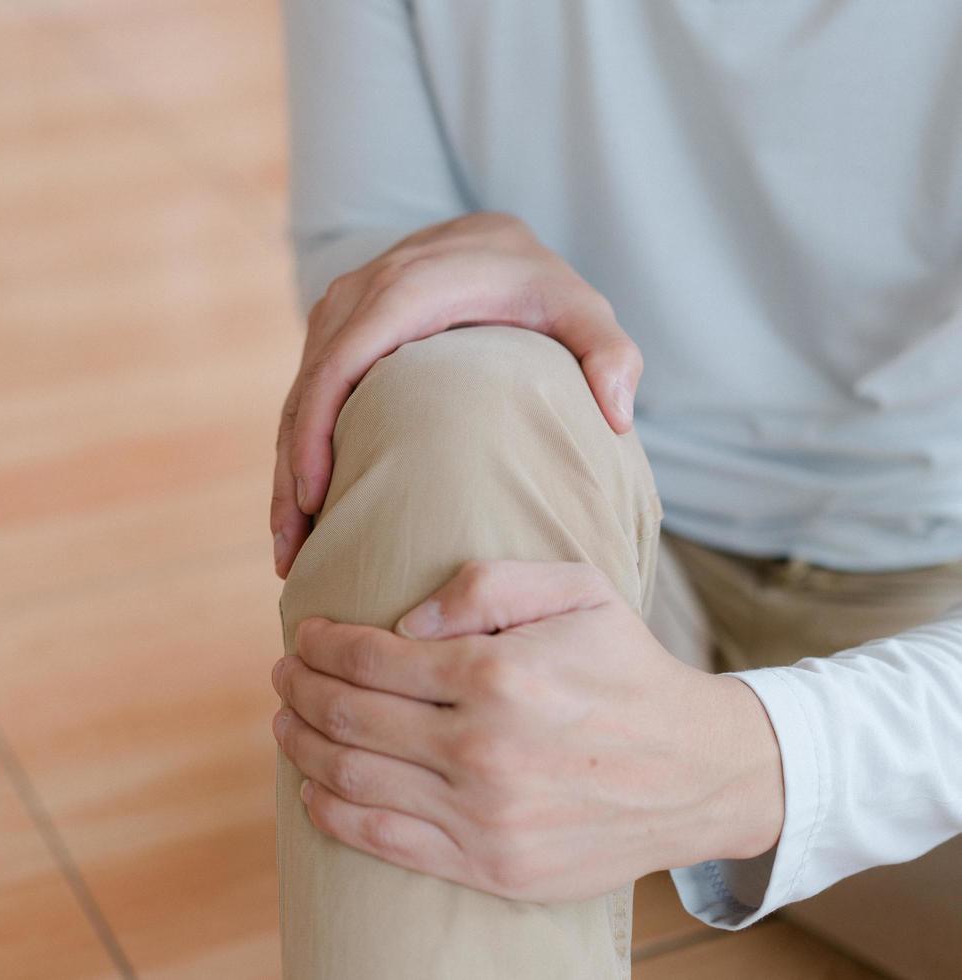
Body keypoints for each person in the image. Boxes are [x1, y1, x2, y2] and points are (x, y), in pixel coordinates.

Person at [265, 3, 962, 978]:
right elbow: (366, 227)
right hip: (593, 534)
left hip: (934, 611)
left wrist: (746, 760)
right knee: (445, 385)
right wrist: (440, 249)